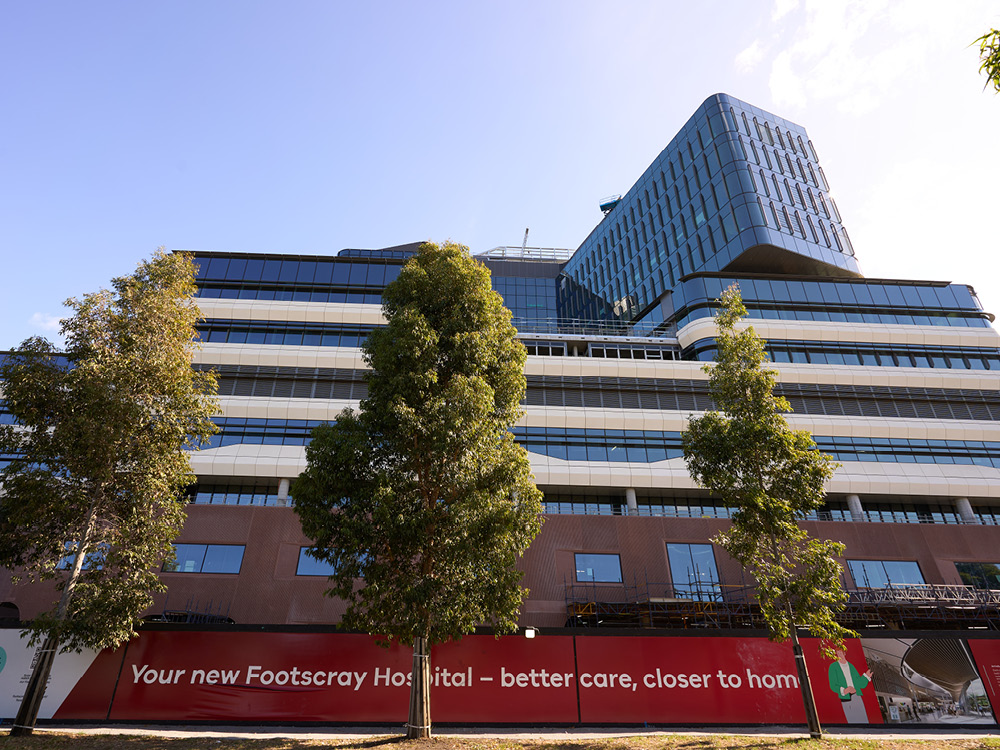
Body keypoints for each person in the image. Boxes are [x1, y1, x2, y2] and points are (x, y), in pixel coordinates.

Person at [828, 647, 874, 723]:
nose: (839, 655)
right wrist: (845, 690)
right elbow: (833, 685)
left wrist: (866, 677)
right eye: (837, 653)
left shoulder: (851, 666)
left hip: (857, 697)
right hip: (846, 699)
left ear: (844, 653)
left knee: (863, 720)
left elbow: (859, 683)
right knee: (852, 721)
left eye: (840, 652)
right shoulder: (833, 667)